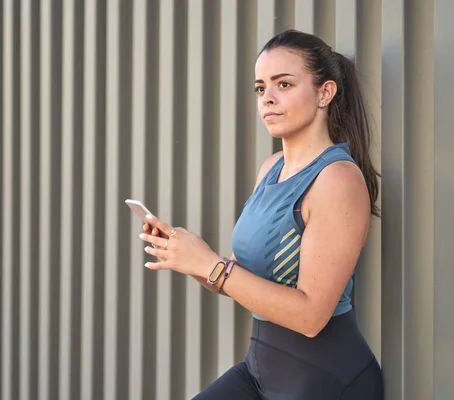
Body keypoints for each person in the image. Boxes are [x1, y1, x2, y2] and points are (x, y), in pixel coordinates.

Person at [138, 29, 384, 399]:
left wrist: (211, 265)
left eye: (283, 84)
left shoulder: (337, 180)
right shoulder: (271, 168)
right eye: (260, 88)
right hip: (259, 372)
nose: (267, 98)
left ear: (325, 93)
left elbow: (311, 316)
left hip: (327, 381)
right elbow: (242, 277)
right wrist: (186, 257)